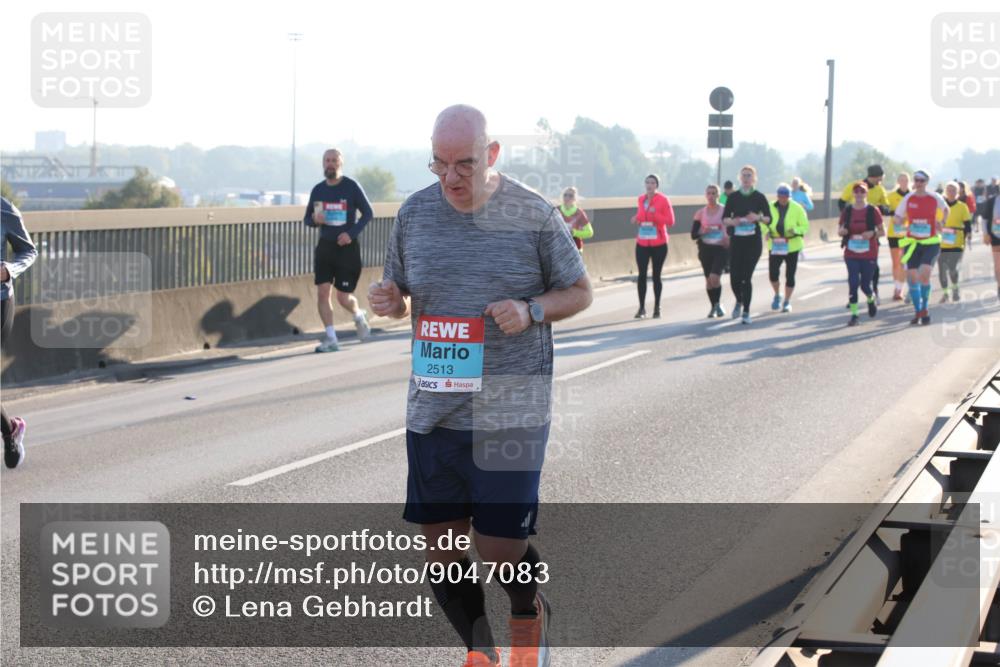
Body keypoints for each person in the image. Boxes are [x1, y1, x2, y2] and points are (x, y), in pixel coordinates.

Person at [368, 105, 592, 667]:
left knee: (498, 549)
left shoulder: (533, 215)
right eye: (439, 163)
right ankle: (481, 654)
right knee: (442, 550)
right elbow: (400, 293)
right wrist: (391, 302)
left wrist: (531, 308)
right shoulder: (414, 215)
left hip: (510, 409)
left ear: (491, 155)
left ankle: (528, 609)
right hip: (433, 409)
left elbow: (580, 290)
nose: (450, 177)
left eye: (464, 163)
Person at [304, 149, 374, 353]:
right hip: (325, 247)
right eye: (327, 160)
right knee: (323, 292)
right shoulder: (318, 190)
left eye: (334, 160)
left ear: (340, 163)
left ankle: (358, 314)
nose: (330, 164)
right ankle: (331, 338)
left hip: (347, 248)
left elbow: (368, 213)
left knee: (343, 297)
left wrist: (350, 234)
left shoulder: (351, 186)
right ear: (323, 164)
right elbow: (307, 219)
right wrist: (314, 221)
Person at [1, 196, 37, 469]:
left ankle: (10, 432)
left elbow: (28, 250)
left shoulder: (4, 209)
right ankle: (10, 428)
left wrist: (9, 269)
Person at [894, 169, 950, 325]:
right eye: (916, 180)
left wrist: (942, 222)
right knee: (913, 278)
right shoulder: (908, 197)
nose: (918, 183)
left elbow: (946, 209)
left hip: (930, 243)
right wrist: (898, 220)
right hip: (912, 243)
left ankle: (925, 308)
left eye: (921, 181)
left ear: (926, 182)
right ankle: (918, 310)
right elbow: (898, 215)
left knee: (924, 274)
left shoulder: (934, 197)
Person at [723, 165, 771, 324]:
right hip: (737, 240)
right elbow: (724, 219)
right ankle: (739, 300)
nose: (746, 178)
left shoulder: (759, 197)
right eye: (743, 175)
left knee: (746, 277)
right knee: (734, 278)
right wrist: (733, 221)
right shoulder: (734, 197)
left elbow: (768, 219)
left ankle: (746, 312)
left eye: (749, 175)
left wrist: (757, 218)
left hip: (753, 241)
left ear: (754, 178)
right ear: (739, 178)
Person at [841, 165, 891, 304]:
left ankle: (874, 292)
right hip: (852, 229)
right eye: (880, 178)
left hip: (871, 231)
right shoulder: (854, 185)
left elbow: (887, 207)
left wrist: (877, 209)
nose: (881, 180)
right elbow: (841, 201)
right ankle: (853, 295)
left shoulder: (880, 189)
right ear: (875, 176)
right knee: (853, 271)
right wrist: (845, 220)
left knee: (873, 267)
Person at [839, 182, 885, 326]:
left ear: (866, 194)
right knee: (853, 283)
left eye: (862, 192)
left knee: (865, 285)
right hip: (851, 253)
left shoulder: (873, 210)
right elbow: (839, 230)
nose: (859, 194)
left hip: (869, 253)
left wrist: (872, 233)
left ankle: (871, 299)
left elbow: (883, 231)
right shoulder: (847, 211)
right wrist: (843, 232)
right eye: (856, 192)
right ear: (853, 194)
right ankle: (854, 315)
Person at [631, 174, 675, 319]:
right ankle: (642, 308)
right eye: (647, 182)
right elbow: (640, 215)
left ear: (657, 185)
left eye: (652, 183)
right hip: (643, 241)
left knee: (656, 275)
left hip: (659, 243)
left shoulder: (663, 200)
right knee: (641, 275)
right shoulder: (641, 199)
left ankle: (657, 307)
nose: (649, 185)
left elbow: (670, 221)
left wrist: (655, 215)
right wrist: (636, 219)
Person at [766, 183, 810, 313]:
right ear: (777, 196)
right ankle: (777, 294)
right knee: (773, 274)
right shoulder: (770, 206)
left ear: (790, 196)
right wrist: (766, 231)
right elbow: (763, 221)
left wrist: (795, 230)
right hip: (775, 245)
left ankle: (787, 301)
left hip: (792, 246)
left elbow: (805, 226)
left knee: (790, 275)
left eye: (786, 196)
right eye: (780, 196)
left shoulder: (797, 208)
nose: (783, 199)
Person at [691, 184, 728, 318]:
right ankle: (714, 306)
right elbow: (693, 234)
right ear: (705, 195)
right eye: (709, 193)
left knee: (715, 277)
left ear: (718, 195)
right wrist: (703, 231)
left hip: (721, 248)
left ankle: (717, 305)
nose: (711, 196)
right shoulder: (700, 213)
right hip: (706, 249)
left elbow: (732, 228)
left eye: (714, 193)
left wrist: (727, 238)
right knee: (708, 280)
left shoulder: (725, 211)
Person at [938, 182, 973, 303]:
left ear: (958, 193)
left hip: (957, 241)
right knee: (942, 269)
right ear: (945, 192)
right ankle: (945, 293)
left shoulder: (962, 206)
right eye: (949, 190)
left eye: (953, 190)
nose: (951, 192)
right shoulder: (940, 206)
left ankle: (955, 289)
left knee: (952, 268)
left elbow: (968, 224)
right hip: (941, 242)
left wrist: (968, 236)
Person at [886, 173, 912, 301]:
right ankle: (897, 288)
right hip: (894, 233)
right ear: (898, 181)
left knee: (904, 262)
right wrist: (897, 215)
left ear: (909, 181)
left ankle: (901, 288)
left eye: (906, 180)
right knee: (896, 262)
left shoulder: (912, 196)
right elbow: (885, 210)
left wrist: (906, 217)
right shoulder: (891, 196)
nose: (904, 182)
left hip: (908, 232)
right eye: (901, 180)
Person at [558, 186, 592, 252]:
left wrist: (574, 232)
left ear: (575, 199)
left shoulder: (580, 213)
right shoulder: (556, 211)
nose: (567, 198)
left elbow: (590, 232)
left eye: (571, 196)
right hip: (559, 249)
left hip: (575, 249)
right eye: (565, 195)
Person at [983, 192, 1000, 300]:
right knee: (998, 264)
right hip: (996, 235)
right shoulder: (992, 200)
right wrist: (985, 234)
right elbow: (985, 219)